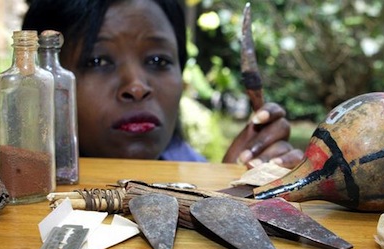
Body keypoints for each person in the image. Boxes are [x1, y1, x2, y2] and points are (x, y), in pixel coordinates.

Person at [22, 0, 303, 168]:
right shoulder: (15, 189)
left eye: (158, 60)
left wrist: (231, 193)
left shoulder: (194, 170)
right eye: (97, 61)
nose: (137, 86)